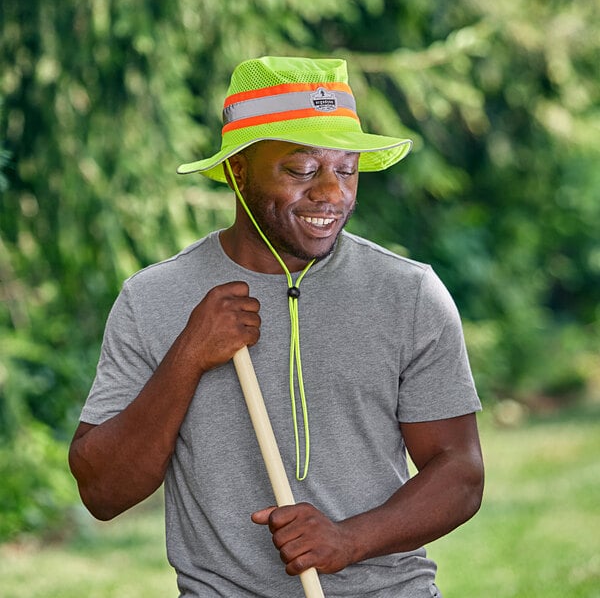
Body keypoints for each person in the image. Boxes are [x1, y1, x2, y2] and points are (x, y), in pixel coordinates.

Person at [69, 56, 484, 598]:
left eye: (347, 169)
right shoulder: (153, 298)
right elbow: (103, 491)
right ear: (239, 168)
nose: (332, 193)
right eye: (303, 169)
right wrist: (188, 355)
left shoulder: (408, 293)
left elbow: (460, 473)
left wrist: (347, 540)